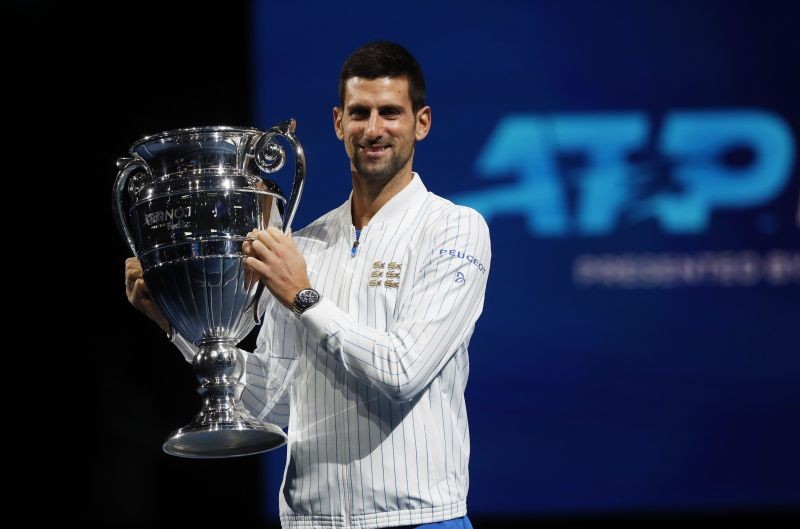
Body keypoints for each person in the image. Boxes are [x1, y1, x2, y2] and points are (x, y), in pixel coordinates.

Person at [126, 41, 490, 529]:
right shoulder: (303, 245)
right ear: (338, 123)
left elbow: (403, 372)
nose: (374, 129)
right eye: (359, 113)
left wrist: (303, 296)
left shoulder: (454, 228)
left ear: (421, 122)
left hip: (417, 517)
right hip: (310, 520)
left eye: (390, 113)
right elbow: (273, 402)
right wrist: (179, 325)